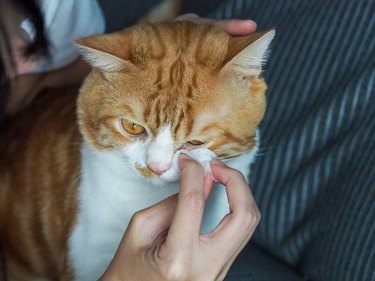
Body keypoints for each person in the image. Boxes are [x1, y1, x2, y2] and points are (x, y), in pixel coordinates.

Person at [0, 0, 260, 280]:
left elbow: (75, 71)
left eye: (195, 141)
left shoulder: (60, 10)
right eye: (134, 129)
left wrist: (168, 43)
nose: (157, 164)